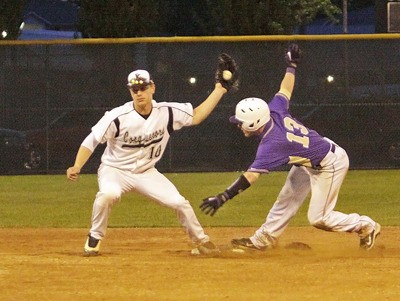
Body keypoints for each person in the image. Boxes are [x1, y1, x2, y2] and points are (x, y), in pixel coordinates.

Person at [200, 43, 381, 251]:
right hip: (310, 158)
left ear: (253, 123)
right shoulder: (273, 110)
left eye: (240, 122)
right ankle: (263, 239)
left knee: (319, 218)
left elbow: (250, 177)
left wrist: (223, 197)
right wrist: (291, 65)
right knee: (287, 198)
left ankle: (366, 226)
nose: (238, 125)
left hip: (330, 163)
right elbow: (285, 89)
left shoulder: (272, 144)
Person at [67, 57, 237, 256]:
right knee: (108, 194)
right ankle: (95, 237)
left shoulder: (167, 112)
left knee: (178, 202)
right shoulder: (118, 116)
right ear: (130, 91)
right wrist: (77, 165)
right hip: (115, 170)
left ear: (152, 88)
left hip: (146, 172)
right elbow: (92, 140)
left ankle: (201, 240)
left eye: (143, 88)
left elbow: (197, 115)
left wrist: (220, 90)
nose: (139, 93)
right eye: (134, 89)